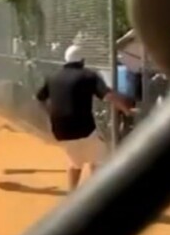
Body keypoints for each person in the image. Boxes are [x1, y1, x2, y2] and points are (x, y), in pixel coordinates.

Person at [35, 43, 135, 191]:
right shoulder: (88, 75)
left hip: (60, 131)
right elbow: (108, 96)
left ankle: (72, 194)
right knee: (100, 158)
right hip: (83, 129)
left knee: (75, 160)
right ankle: (95, 195)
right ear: (82, 61)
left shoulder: (53, 76)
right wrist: (126, 109)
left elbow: (39, 98)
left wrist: (50, 114)